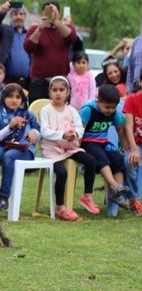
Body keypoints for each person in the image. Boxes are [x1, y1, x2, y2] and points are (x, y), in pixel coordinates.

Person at [39, 76, 99, 221]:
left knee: (91, 161)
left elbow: (79, 127)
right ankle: (61, 208)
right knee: (61, 172)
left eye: (61, 90)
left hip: (69, 148)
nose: (58, 93)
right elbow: (44, 131)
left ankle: (87, 196)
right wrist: (62, 134)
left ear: (68, 92)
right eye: (54, 90)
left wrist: (75, 134)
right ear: (49, 92)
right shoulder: (46, 110)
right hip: (52, 151)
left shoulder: (72, 111)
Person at [0, 84, 40, 211]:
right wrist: (9, 127)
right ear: (3, 98)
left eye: (18, 97)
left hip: (24, 150)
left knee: (8, 156)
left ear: (22, 99)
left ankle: (4, 198)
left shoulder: (28, 114)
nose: (14, 100)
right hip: (3, 145)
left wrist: (35, 132)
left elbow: (39, 132)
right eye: (10, 96)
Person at [79, 84, 131, 211]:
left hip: (102, 143)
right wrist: (77, 148)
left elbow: (120, 128)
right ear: (98, 101)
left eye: (113, 108)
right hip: (87, 143)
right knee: (101, 156)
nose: (110, 110)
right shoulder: (88, 110)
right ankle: (114, 186)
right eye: (107, 107)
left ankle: (117, 195)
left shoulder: (113, 113)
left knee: (117, 158)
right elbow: (79, 130)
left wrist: (124, 144)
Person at [24, 0, 77, 103]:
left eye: (53, 11)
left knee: (61, 111)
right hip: (39, 80)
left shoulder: (65, 29)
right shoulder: (35, 29)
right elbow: (28, 47)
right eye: (47, 11)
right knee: (37, 109)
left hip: (60, 80)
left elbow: (72, 37)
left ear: (59, 14)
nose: (50, 14)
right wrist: (40, 28)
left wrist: (56, 21)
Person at [0, 1, 30, 90]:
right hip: (8, 79)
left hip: (27, 81)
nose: (18, 17)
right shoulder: (6, 30)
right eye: (15, 14)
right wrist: (3, 12)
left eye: (21, 14)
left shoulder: (30, 33)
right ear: (11, 17)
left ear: (25, 17)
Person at [121, 73, 142, 216]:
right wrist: (134, 150)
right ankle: (135, 199)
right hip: (135, 143)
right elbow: (128, 127)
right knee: (130, 161)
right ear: (140, 82)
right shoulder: (132, 99)